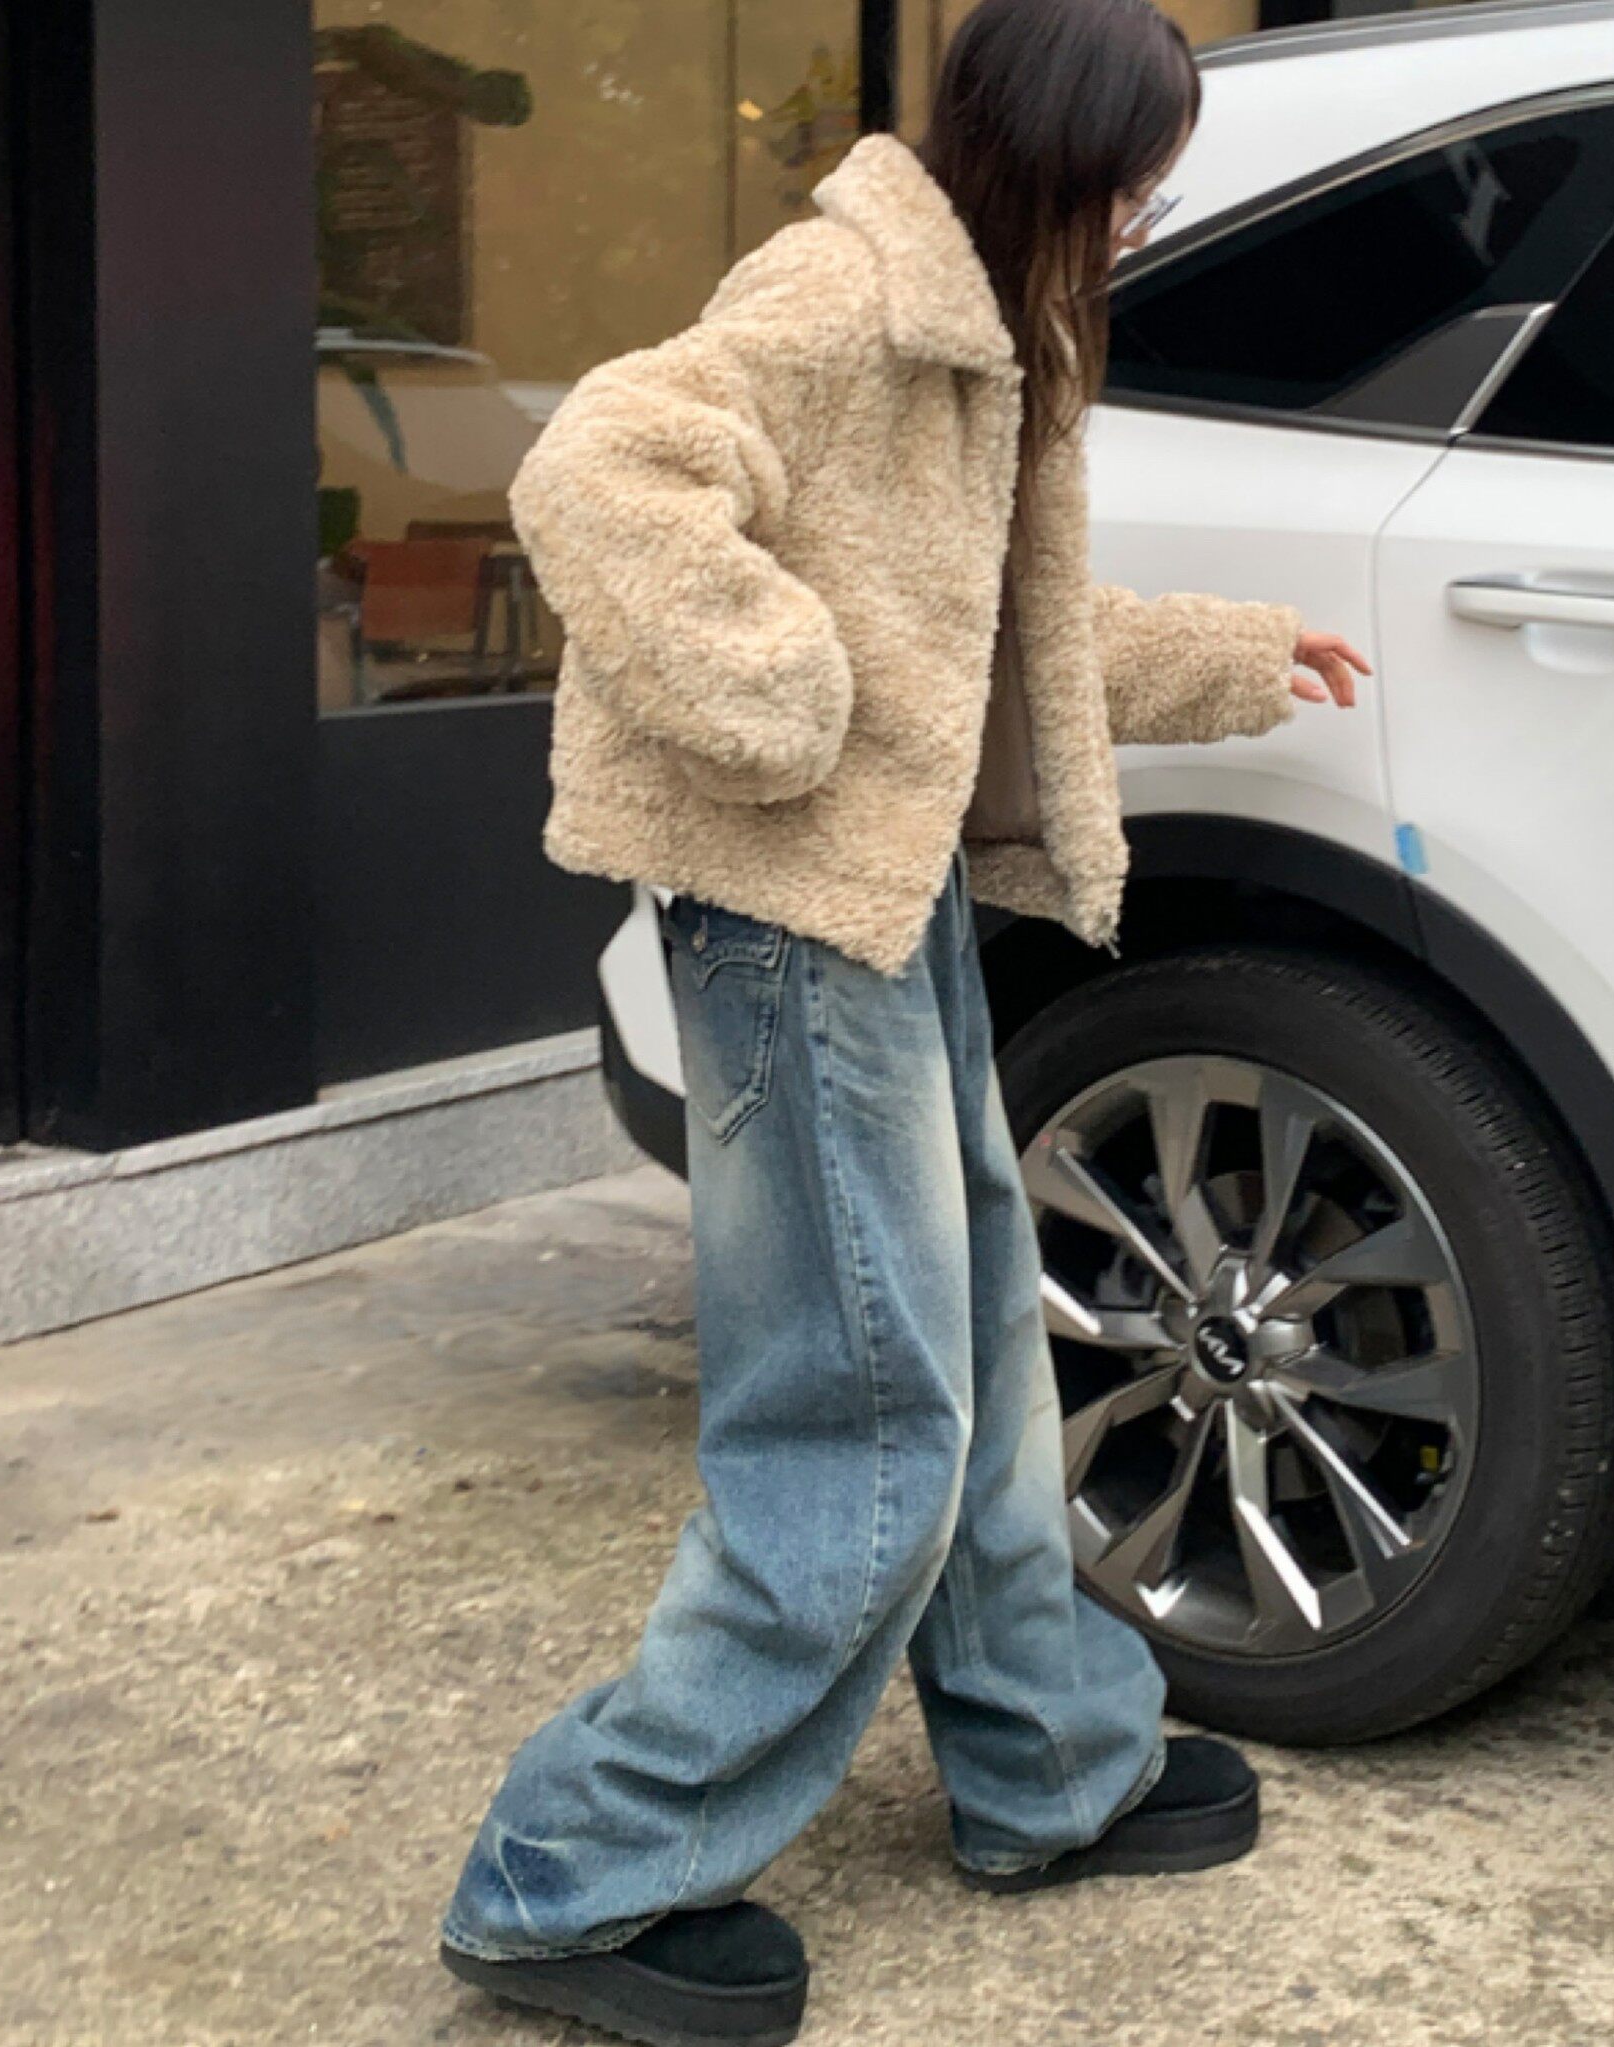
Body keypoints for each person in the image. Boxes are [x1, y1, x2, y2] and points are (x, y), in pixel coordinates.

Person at [440, 2, 1369, 2041]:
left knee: (971, 1356)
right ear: (1054, 159)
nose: (1140, 223)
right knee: (859, 1410)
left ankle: (1048, 1764)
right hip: (788, 911)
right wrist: (783, 694)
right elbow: (596, 465)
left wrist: (1235, 655)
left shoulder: (985, 330)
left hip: (886, 894)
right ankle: (568, 1877)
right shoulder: (848, 293)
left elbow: (989, 635)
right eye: (1133, 187)